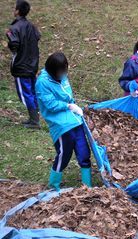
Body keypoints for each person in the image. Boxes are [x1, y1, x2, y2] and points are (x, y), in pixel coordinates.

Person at [35, 52, 92, 191]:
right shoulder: (42, 83)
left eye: (65, 70)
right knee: (64, 154)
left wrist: (74, 106)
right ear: (53, 70)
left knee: (84, 152)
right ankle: (54, 186)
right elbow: (50, 104)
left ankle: (88, 187)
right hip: (61, 125)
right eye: (61, 71)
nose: (64, 73)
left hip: (75, 121)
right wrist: (67, 106)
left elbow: (68, 95)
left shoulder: (63, 76)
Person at [6, 0, 41, 128]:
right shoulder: (32, 26)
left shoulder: (14, 28)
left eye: (14, 8)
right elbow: (38, 36)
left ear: (17, 11)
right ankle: (34, 118)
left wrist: (10, 41)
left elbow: (14, 44)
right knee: (32, 91)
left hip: (21, 67)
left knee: (25, 94)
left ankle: (34, 121)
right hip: (32, 65)